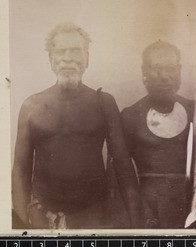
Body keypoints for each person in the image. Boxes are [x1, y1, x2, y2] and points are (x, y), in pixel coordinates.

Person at [12, 22, 139, 229]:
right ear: (51, 59)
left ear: (86, 59)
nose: (68, 58)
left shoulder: (104, 103)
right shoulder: (31, 106)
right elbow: (20, 169)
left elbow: (124, 166)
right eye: (60, 51)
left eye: (75, 51)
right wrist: (20, 224)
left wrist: (138, 225)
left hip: (94, 216)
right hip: (42, 218)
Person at [121, 40, 196, 229]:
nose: (164, 76)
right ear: (144, 72)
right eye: (156, 69)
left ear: (179, 70)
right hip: (148, 211)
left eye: (171, 68)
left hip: (192, 206)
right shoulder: (130, 115)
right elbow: (118, 174)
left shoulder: (195, 109)